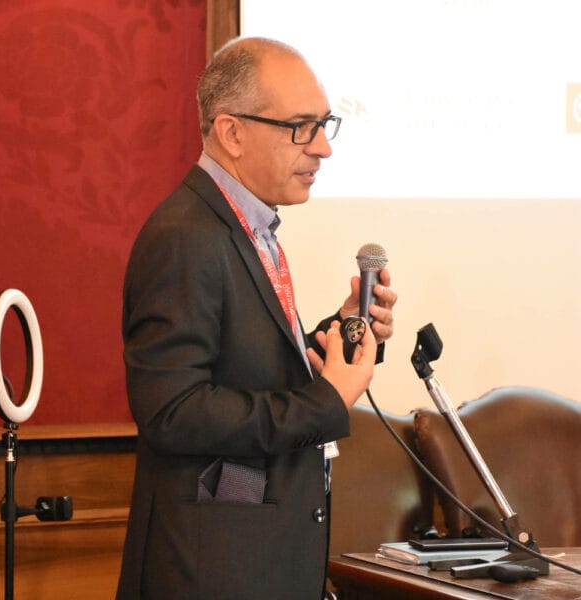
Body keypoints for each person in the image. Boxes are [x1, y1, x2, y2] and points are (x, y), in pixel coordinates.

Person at [116, 36, 397, 600]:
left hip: (252, 563)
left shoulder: (247, 226)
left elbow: (251, 367)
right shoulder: (185, 236)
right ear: (232, 133)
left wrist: (339, 334)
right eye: (301, 127)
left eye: (325, 124)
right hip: (213, 573)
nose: (323, 148)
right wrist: (326, 401)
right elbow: (172, 411)